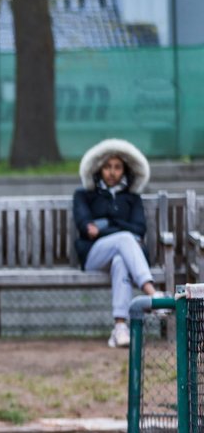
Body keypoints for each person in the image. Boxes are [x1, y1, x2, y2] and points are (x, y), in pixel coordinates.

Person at [73, 138, 163, 349]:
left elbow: (139, 229)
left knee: (121, 261)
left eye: (117, 167)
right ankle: (153, 293)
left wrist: (105, 225)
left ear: (125, 170)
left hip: (124, 256)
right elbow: (86, 227)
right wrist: (118, 227)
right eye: (107, 167)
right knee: (125, 238)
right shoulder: (84, 195)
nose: (112, 172)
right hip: (94, 256)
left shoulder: (132, 198)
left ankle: (120, 327)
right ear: (99, 169)